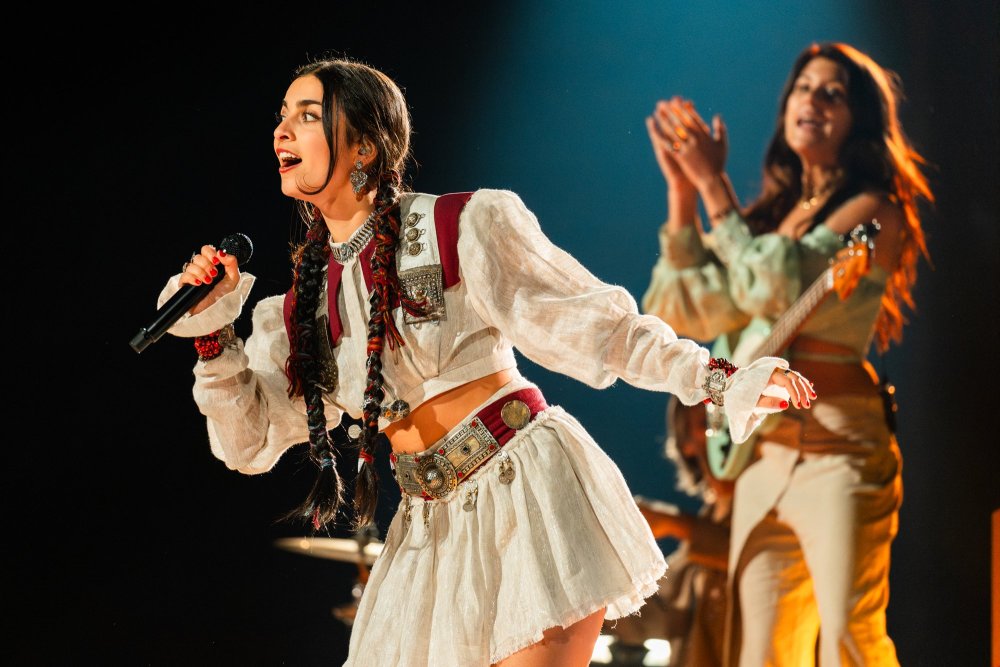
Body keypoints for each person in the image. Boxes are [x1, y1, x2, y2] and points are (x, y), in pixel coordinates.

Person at [155, 56, 814, 667]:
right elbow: (250, 442)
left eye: (305, 114)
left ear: (364, 145)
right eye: (281, 115)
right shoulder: (298, 308)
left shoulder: (461, 226)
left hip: (525, 498)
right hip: (425, 528)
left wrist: (721, 379)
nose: (281, 131)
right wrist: (214, 338)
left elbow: (598, 328)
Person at [642, 42, 933, 666]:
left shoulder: (872, 209)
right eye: (804, 88)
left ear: (861, 120)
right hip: (761, 458)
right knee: (763, 653)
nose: (814, 101)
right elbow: (689, 309)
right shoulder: (772, 217)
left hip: (839, 445)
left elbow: (773, 284)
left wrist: (714, 184)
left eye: (834, 94)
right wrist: (683, 192)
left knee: (849, 638)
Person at [606, 396, 734, 666]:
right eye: (706, 421)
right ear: (685, 442)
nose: (722, 430)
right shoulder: (708, 522)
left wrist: (673, 523)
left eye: (727, 418)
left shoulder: (766, 500)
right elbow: (650, 612)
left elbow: (750, 557)